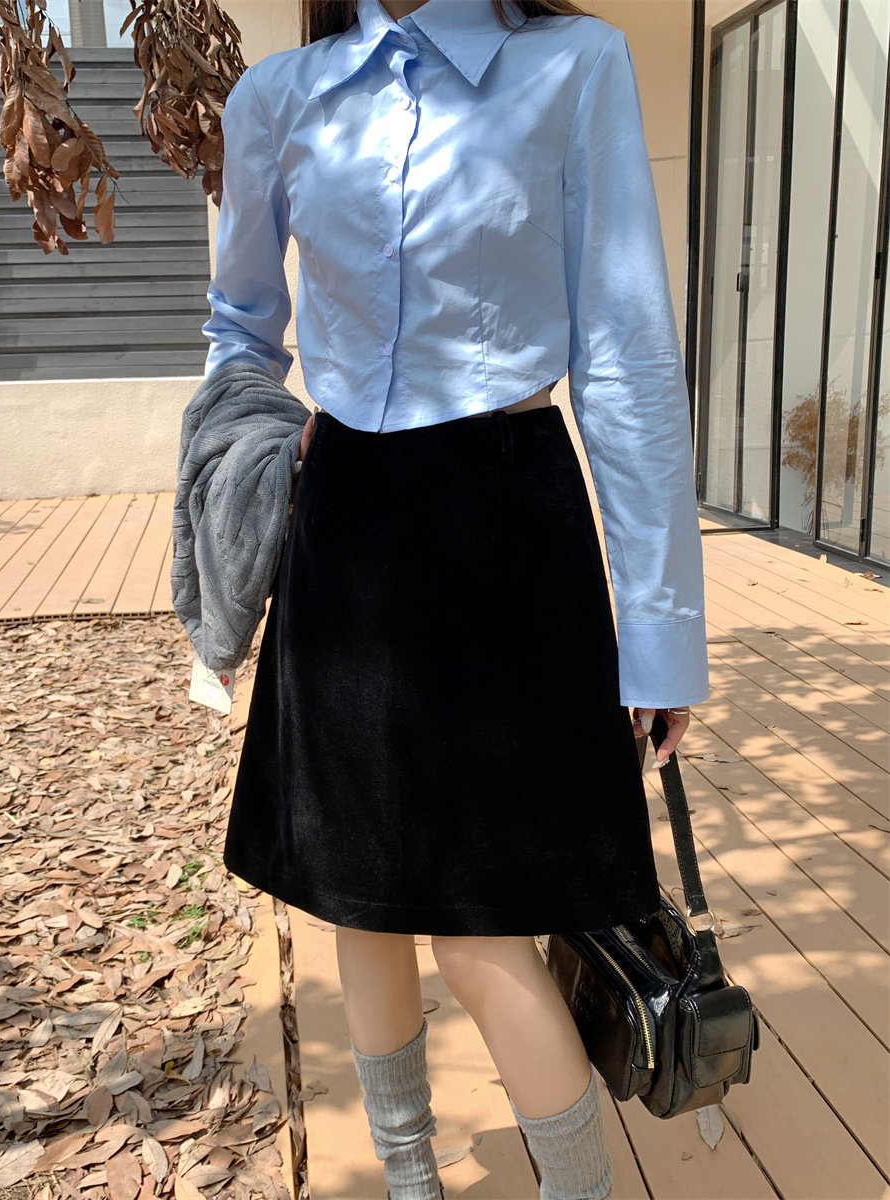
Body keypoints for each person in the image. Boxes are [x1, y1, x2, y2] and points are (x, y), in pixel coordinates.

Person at [198, 0, 708, 1196]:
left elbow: (626, 351)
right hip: (348, 526)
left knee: (483, 932)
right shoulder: (278, 97)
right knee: (357, 900)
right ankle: (411, 1179)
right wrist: (252, 455)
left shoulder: (573, 66)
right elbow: (241, 323)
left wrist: (661, 633)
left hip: (507, 528)